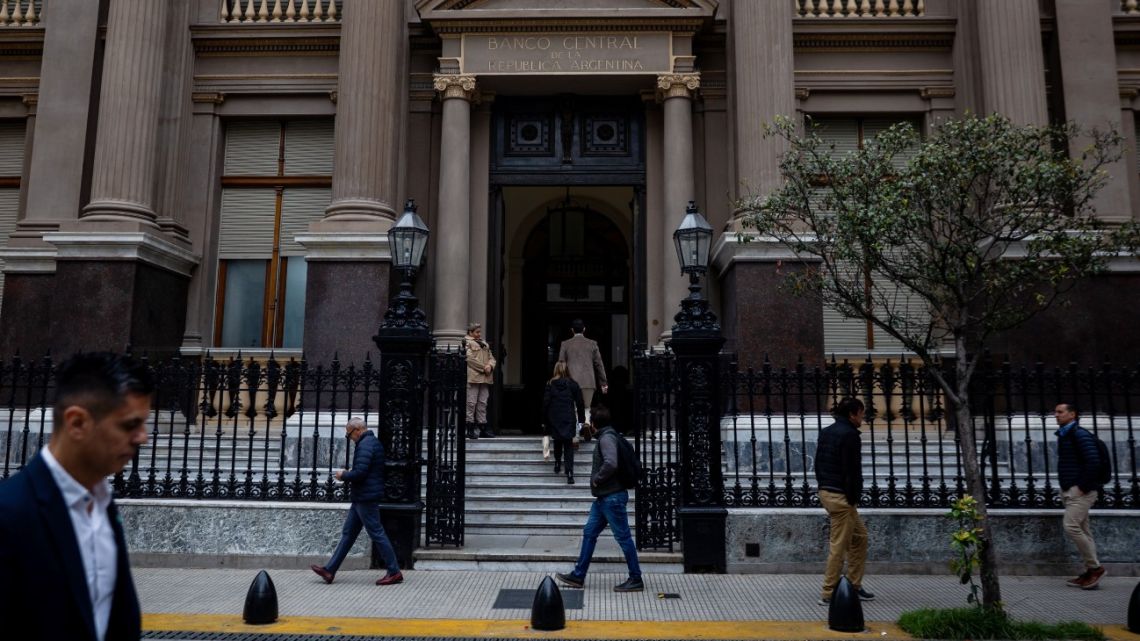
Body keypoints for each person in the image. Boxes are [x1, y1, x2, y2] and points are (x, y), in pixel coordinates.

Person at [0, 352, 153, 641]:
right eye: (129, 425)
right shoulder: (10, 514)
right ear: (77, 423)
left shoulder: (103, 505)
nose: (142, 437)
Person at [556, 404, 643, 593]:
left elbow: (611, 463)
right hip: (604, 499)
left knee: (623, 537)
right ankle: (578, 575)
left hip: (612, 498)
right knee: (589, 532)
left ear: (594, 423)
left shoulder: (606, 439)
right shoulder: (607, 436)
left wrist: (597, 478)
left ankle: (636, 578)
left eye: (590, 421)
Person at [311, 417, 403, 586]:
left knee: (376, 533)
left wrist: (343, 475)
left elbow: (360, 473)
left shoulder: (365, 445)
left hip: (365, 497)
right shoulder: (372, 442)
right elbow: (367, 469)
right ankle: (330, 570)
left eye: (349, 434)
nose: (350, 438)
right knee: (348, 534)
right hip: (362, 496)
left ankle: (394, 571)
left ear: (358, 430)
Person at [814, 397, 874, 606]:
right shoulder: (850, 435)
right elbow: (852, 470)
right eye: (861, 413)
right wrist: (853, 497)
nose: (862, 418)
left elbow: (818, 463)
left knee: (860, 537)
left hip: (829, 492)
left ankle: (853, 585)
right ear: (852, 414)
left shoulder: (827, 432)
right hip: (841, 497)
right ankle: (829, 592)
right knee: (839, 546)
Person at [1054, 402, 1106, 589]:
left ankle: (1096, 569)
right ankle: (1091, 571)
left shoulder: (1079, 434)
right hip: (1071, 488)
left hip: (1080, 490)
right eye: (1055, 412)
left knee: (1071, 526)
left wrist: (1082, 487)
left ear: (1072, 414)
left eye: (1060, 412)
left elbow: (1093, 462)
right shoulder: (1066, 434)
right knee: (1084, 530)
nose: (1056, 415)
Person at [543, 361, 586, 485]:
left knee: (557, 441)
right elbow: (580, 403)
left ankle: (557, 463)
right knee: (568, 445)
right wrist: (582, 420)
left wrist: (544, 420)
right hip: (568, 417)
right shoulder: (573, 384)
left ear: (555, 370)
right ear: (567, 369)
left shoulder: (550, 384)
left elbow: (546, 403)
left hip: (555, 417)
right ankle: (570, 472)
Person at [558, 319, 607, 425]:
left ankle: (575, 432)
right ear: (584, 329)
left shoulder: (565, 344)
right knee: (586, 407)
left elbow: (561, 364)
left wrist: (560, 382)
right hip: (588, 382)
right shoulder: (592, 344)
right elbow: (599, 364)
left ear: (572, 330)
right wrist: (603, 383)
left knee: (572, 408)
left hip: (570, 382)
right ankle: (586, 425)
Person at [465, 322, 496, 439]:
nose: (479, 334)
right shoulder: (467, 342)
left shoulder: (484, 343)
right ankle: (469, 428)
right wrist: (484, 367)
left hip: (485, 378)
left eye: (479, 332)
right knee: (471, 403)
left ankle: (482, 427)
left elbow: (492, 358)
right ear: (470, 332)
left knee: (483, 403)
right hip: (474, 377)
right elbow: (470, 359)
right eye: (477, 332)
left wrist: (490, 366)